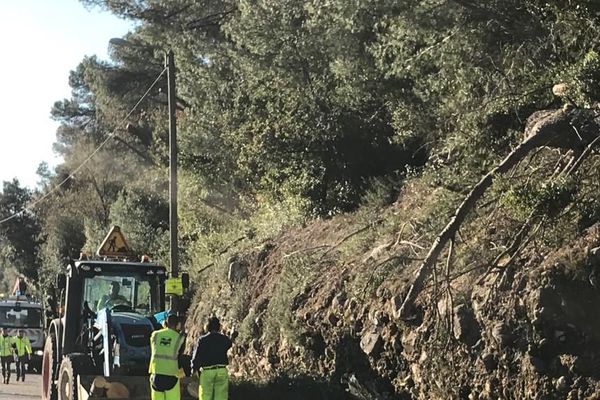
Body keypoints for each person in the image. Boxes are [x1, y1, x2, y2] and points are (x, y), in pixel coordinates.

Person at [191, 316, 235, 400]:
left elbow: (196, 357)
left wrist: (193, 369)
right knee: (221, 397)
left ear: (207, 327)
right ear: (219, 326)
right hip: (221, 370)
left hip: (207, 371)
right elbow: (229, 343)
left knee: (206, 396)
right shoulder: (224, 339)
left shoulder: (202, 340)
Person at [149, 314, 186, 400]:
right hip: (172, 376)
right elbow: (180, 356)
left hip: (156, 375)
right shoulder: (180, 338)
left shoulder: (155, 335)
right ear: (178, 324)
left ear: (165, 323)